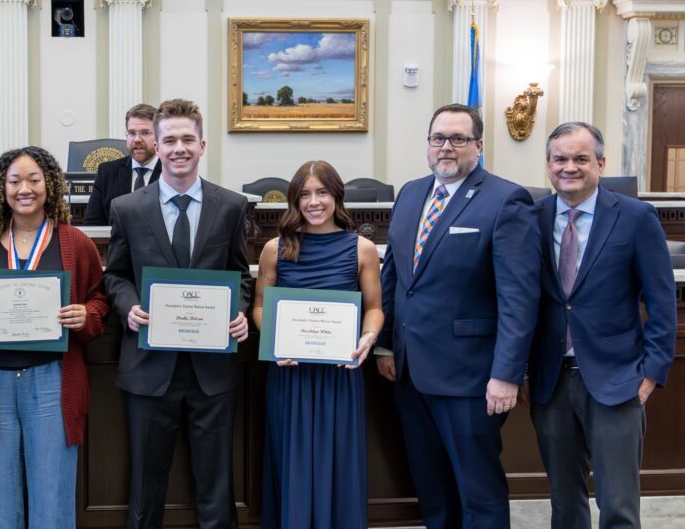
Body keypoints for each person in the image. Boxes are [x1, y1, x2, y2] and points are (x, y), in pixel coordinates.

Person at [376, 103, 540, 529]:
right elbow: (395, 275)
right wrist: (386, 344)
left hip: (471, 377)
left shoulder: (506, 199)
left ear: (478, 146)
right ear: (428, 145)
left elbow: (519, 298)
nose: (446, 147)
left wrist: (508, 373)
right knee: (433, 490)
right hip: (411, 372)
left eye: (457, 139)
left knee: (477, 493)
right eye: (438, 138)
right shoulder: (411, 193)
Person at [103, 98, 253, 528]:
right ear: (156, 144)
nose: (178, 148)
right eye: (169, 139)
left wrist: (240, 311)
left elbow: (240, 275)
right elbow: (115, 276)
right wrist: (129, 306)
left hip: (212, 371)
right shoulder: (127, 208)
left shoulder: (231, 206)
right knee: (145, 486)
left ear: (202, 145)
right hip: (149, 369)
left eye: (188, 139)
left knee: (216, 485)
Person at [0, 146, 109, 528]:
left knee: (53, 489)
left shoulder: (75, 242)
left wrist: (87, 314)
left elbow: (99, 301)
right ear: (1, 187)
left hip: (53, 379)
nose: (24, 189)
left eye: (34, 180)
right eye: (14, 180)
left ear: (49, 184)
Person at [526, 122, 676, 529]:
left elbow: (662, 301)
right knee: (564, 502)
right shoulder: (531, 218)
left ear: (601, 163)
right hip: (551, 381)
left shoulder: (635, 217)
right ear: (548, 165)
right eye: (560, 159)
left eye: (580, 159)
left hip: (617, 378)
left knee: (618, 506)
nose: (568, 167)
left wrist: (652, 373)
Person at [252, 160, 383, 528]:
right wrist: (276, 342)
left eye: (322, 192)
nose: (314, 202)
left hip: (340, 374)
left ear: (336, 196)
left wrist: (368, 338)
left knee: (337, 459)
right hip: (290, 374)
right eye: (304, 194)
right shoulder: (275, 248)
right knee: (292, 458)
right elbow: (259, 306)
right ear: (294, 201)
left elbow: (374, 308)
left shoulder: (362, 249)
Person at [83, 103, 162, 225]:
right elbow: (93, 223)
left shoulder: (170, 172)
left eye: (145, 133)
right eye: (131, 133)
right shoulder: (107, 172)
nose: (137, 139)